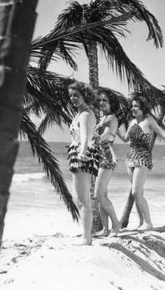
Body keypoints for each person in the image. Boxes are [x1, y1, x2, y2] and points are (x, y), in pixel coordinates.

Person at [117, 95, 165, 230]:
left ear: (142, 107)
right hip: (130, 157)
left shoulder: (149, 120)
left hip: (143, 157)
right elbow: (125, 139)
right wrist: (113, 129)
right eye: (132, 106)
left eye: (136, 106)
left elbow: (163, 133)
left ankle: (148, 223)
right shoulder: (132, 122)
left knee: (135, 192)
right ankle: (141, 222)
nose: (133, 108)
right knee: (139, 192)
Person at [66, 81, 100, 245]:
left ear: (84, 95)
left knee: (83, 199)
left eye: (76, 95)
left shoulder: (86, 114)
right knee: (77, 198)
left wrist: (81, 154)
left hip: (82, 154)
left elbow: (86, 137)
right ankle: (85, 234)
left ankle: (87, 238)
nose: (73, 98)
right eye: (71, 95)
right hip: (78, 153)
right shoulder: (80, 114)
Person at [93, 90, 121, 237]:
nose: (101, 103)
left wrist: (90, 138)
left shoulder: (112, 119)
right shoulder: (102, 118)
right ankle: (105, 229)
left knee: (99, 195)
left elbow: (105, 137)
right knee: (102, 194)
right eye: (100, 100)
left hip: (107, 157)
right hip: (100, 157)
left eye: (105, 101)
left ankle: (116, 224)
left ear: (111, 103)